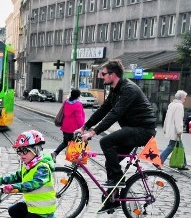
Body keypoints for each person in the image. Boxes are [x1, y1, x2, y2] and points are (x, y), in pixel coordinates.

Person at [79, 60, 156, 194]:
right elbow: (103, 110)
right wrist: (85, 126)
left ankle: (119, 179)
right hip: (131, 130)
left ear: (113, 74)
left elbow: (115, 113)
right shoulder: (115, 90)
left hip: (143, 130)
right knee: (111, 161)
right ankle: (112, 199)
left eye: (103, 74)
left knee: (105, 141)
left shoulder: (129, 89)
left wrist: (93, 132)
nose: (101, 76)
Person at [52, 89, 86, 160]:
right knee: (76, 144)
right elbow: (79, 118)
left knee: (65, 142)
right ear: (78, 96)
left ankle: (55, 153)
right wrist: (82, 127)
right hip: (74, 128)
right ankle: (74, 161)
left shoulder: (66, 102)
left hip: (65, 126)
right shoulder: (78, 104)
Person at [160, 90, 188, 170]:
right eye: (184, 98)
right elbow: (178, 120)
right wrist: (179, 131)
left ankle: (183, 164)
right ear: (181, 98)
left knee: (180, 146)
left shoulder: (172, 104)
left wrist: (165, 128)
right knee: (171, 146)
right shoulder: (179, 106)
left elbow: (166, 118)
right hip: (175, 131)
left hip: (171, 130)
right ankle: (159, 160)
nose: (185, 100)